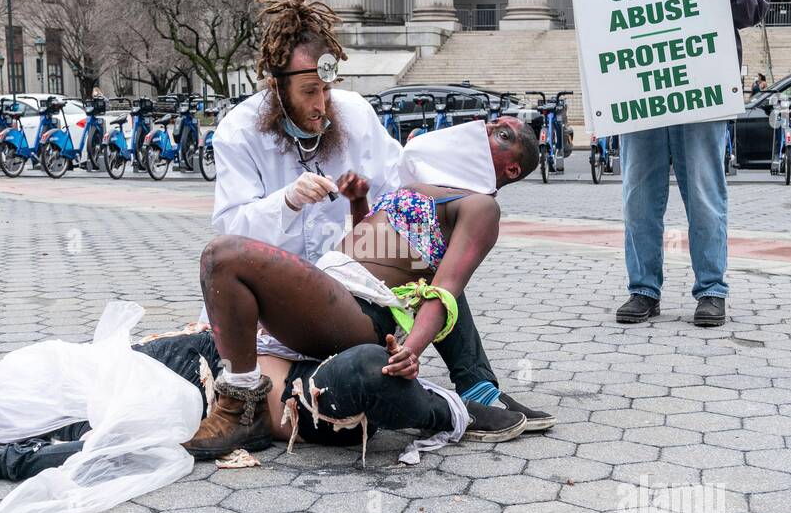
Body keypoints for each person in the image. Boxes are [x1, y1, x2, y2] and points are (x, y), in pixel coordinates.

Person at [210, 0, 555, 432]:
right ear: (278, 88)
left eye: (328, 89)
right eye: (309, 91)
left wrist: (362, 200)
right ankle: (453, 403)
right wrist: (287, 201)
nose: (322, 104)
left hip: (353, 290)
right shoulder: (238, 132)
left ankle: (476, 388)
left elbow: (395, 217)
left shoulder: (352, 113)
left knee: (432, 254)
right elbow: (232, 231)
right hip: (290, 298)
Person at [187, 117, 540, 457]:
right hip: (337, 290)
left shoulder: (481, 207)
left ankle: (237, 409)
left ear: (511, 170)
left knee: (224, 255)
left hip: (360, 312)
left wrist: (411, 351)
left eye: (504, 135)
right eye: (494, 124)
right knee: (224, 274)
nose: (489, 128)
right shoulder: (430, 184)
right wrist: (359, 203)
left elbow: (443, 292)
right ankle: (476, 390)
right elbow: (376, 250)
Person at [0, 328, 467, 480]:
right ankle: (438, 410)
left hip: (283, 385)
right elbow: (102, 450)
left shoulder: (124, 371)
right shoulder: (134, 406)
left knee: (369, 368)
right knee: (366, 370)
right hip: (288, 400)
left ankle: (438, 408)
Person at [613, 0, 771, 328]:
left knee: (705, 192)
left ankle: (712, 290)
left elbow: (759, 4)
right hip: (643, 88)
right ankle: (643, 290)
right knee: (639, 194)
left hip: (701, 86)